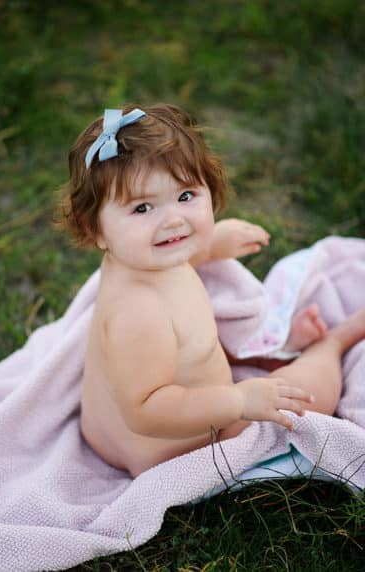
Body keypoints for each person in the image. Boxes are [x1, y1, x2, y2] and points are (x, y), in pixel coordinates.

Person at [57, 105, 365, 477]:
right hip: (177, 447)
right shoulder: (138, 315)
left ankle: (276, 350)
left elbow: (174, 254)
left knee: (202, 352)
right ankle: (332, 344)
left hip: (121, 427)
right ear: (96, 231)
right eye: (142, 208)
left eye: (186, 196)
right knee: (304, 398)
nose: (173, 220)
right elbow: (146, 410)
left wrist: (211, 245)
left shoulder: (135, 259)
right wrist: (237, 401)